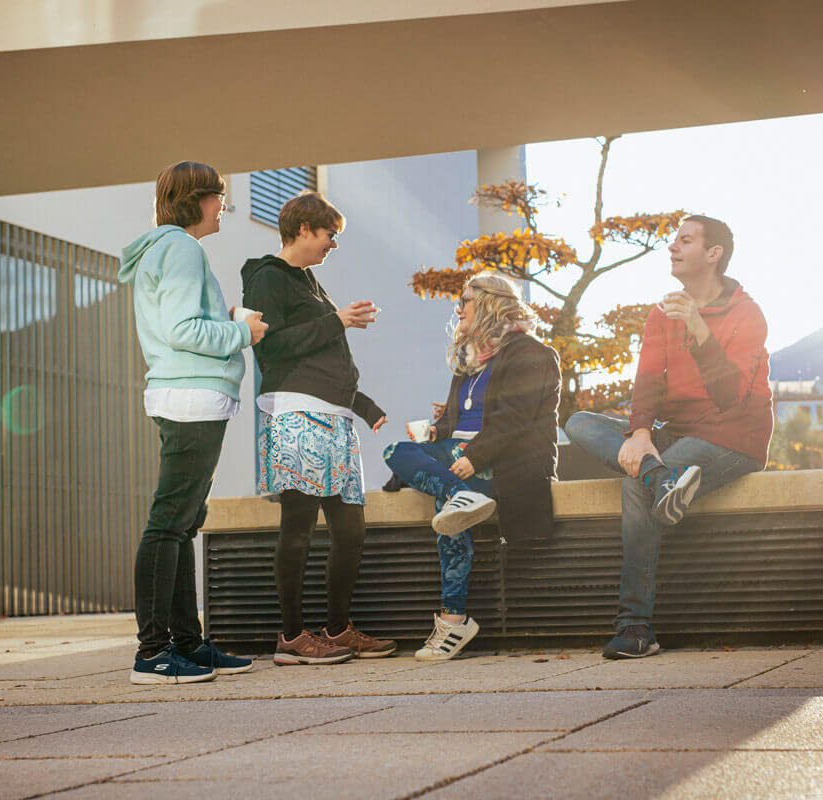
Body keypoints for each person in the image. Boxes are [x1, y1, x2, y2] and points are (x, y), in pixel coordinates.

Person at [564, 214, 772, 660]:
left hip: (732, 437)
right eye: (673, 240)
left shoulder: (746, 314)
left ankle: (635, 627)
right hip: (672, 435)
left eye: (685, 240)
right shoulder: (661, 313)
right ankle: (662, 477)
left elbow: (731, 396)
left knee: (632, 486)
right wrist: (640, 434)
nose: (672, 247)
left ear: (713, 253)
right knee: (580, 422)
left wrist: (698, 328)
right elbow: (648, 382)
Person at [118, 161, 268, 685]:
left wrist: (225, 322)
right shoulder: (182, 247)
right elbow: (184, 330)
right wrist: (242, 332)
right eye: (219, 198)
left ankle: (186, 644)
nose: (223, 208)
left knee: (181, 525)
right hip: (192, 398)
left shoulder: (164, 249)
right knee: (168, 524)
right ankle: (153, 654)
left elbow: (178, 324)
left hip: (182, 396)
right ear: (197, 200)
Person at [241, 190, 397, 665]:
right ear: (305, 229)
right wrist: (337, 321)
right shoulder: (268, 277)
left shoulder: (309, 281)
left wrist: (365, 405)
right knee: (300, 527)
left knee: (350, 529)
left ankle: (337, 629)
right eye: (330, 235)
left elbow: (323, 355)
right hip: (296, 416)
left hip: (335, 418)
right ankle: (291, 637)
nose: (334, 244)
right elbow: (271, 349)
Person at [384, 272, 560, 661]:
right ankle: (459, 496)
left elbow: (513, 422)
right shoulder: (468, 362)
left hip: (503, 462)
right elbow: (455, 425)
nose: (458, 308)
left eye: (464, 300)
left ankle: (453, 619)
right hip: (460, 457)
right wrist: (437, 432)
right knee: (397, 451)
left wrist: (472, 458)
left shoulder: (532, 354)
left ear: (490, 304)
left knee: (447, 511)